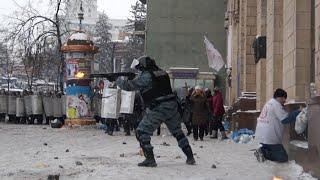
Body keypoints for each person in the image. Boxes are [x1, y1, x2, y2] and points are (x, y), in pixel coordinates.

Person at [107, 56, 196, 167]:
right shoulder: (162, 73)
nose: (139, 69)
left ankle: (150, 159)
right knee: (178, 132)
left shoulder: (147, 76)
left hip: (159, 107)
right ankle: (190, 157)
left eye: (140, 67)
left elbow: (129, 86)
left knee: (141, 132)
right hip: (171, 106)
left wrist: (116, 80)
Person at [254, 88, 298, 163]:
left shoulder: (269, 103)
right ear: (281, 97)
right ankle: (264, 153)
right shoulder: (276, 104)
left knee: (272, 155)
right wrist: (298, 112)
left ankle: (263, 152)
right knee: (283, 159)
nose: (284, 101)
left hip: (261, 136)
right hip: (271, 139)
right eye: (284, 99)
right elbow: (285, 119)